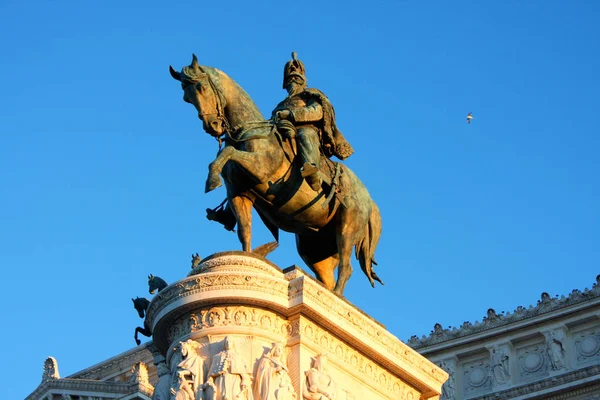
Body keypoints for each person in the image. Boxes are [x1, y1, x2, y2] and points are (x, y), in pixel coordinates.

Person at [272, 52, 354, 192]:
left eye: (296, 78)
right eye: (290, 79)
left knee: (305, 134)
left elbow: (316, 111)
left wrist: (290, 114)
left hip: (308, 130)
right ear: (285, 84)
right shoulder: (280, 104)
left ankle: (311, 170)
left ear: (303, 80)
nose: (293, 82)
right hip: (282, 130)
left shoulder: (311, 95)